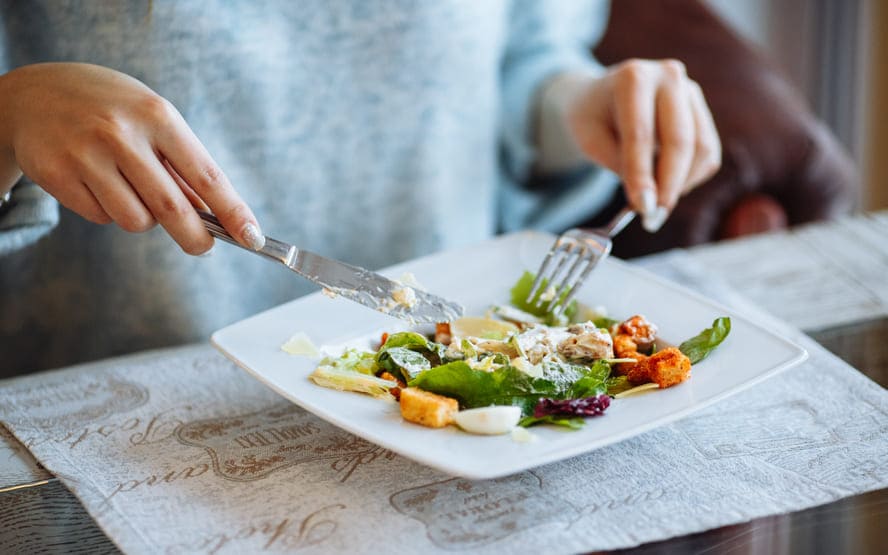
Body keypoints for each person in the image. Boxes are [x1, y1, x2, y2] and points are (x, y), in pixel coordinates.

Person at [0, 1, 719, 377]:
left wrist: (577, 107)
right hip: (109, 403)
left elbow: (522, 59)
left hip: (457, 387)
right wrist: (9, 116)